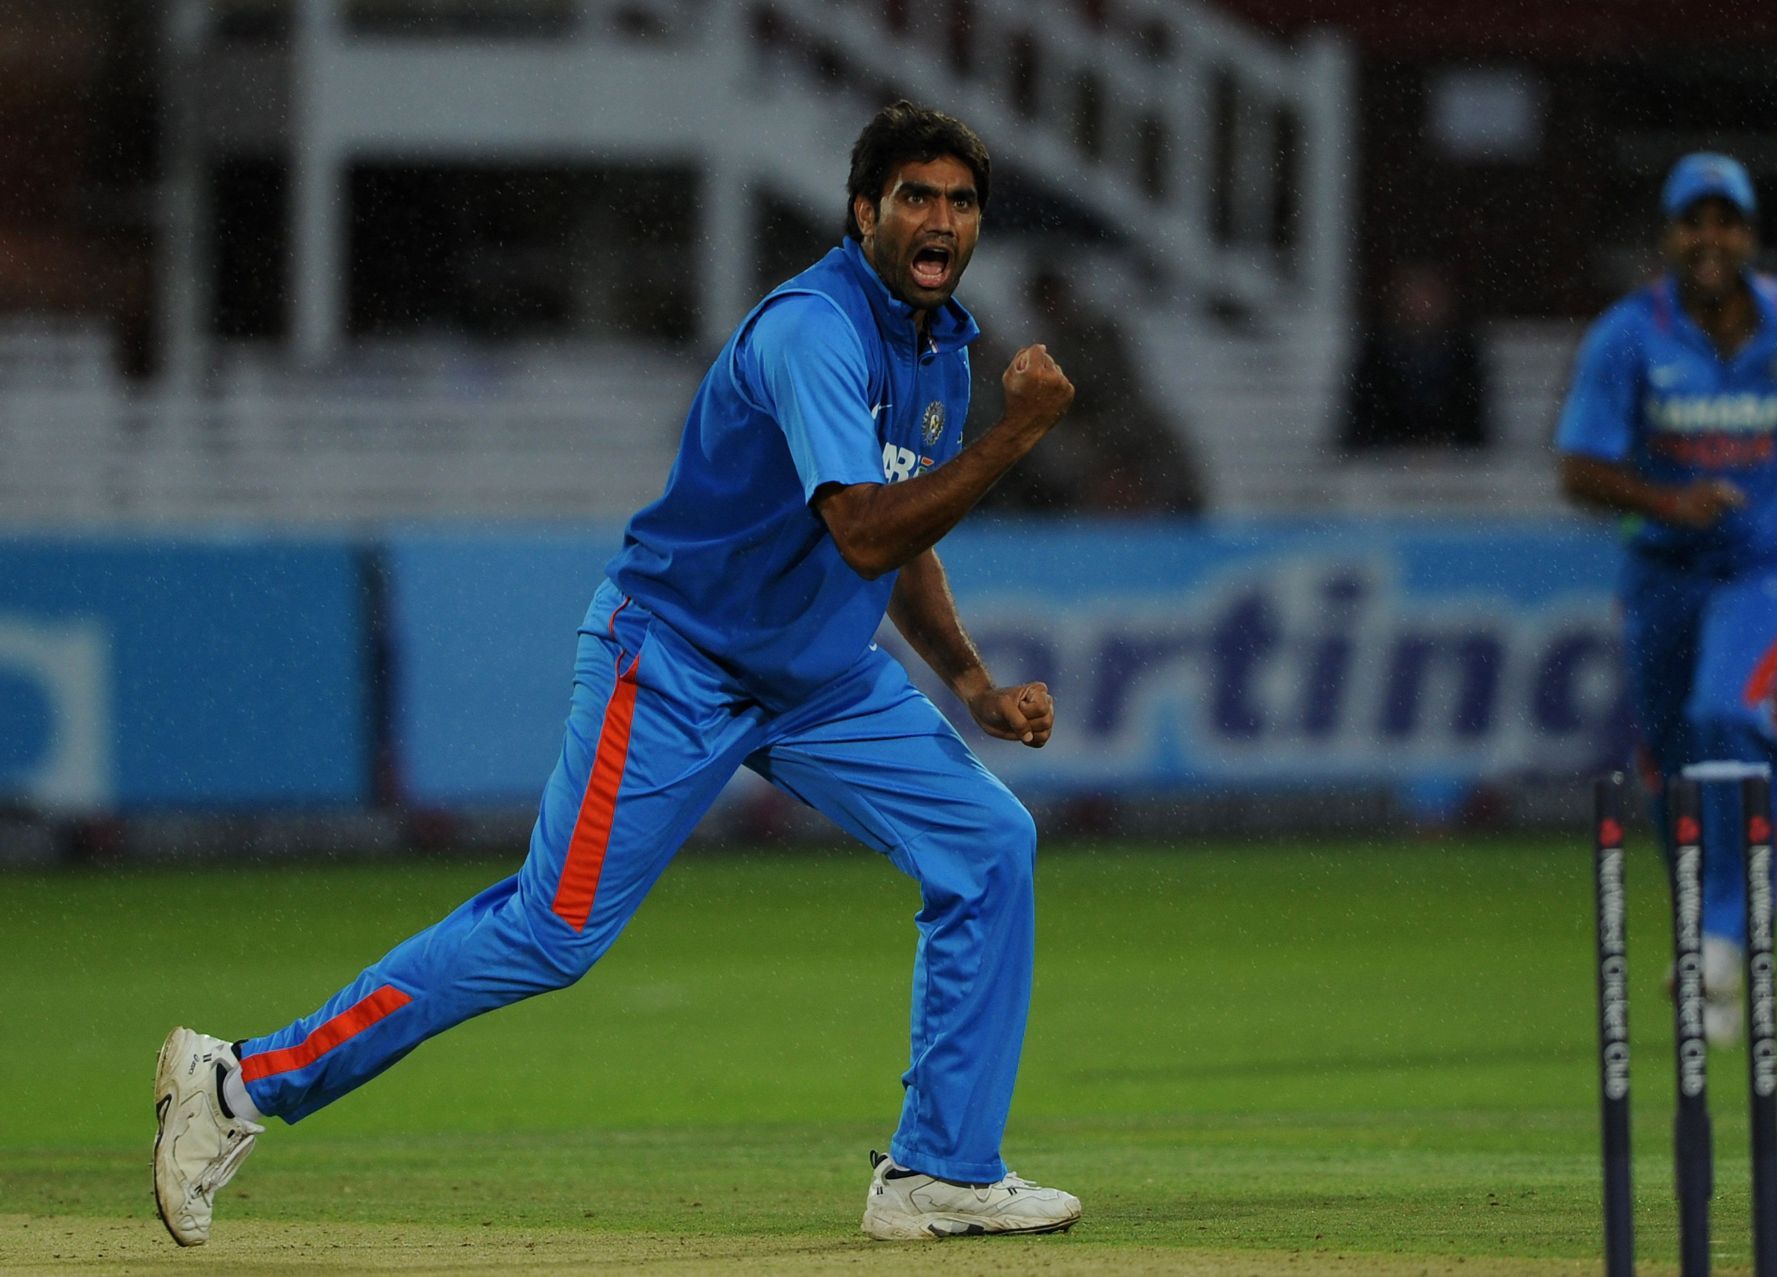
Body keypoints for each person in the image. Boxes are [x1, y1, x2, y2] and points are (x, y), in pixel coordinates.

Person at [151, 100, 1082, 1246]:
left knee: (990, 843)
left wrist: (972, 681)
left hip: (818, 679)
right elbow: (865, 530)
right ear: (864, 210)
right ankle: (236, 1081)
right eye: (917, 197)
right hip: (678, 660)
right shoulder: (815, 330)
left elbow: (904, 536)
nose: (942, 219)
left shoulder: (938, 342)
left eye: (962, 200)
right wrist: (1018, 434)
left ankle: (940, 1167)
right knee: (552, 932)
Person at [1555, 153, 1777, 1044]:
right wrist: (1670, 501)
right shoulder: (1628, 337)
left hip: (1765, 565)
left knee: (1726, 713)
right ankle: (1704, 933)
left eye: (1727, 222)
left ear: (1749, 235)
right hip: (1663, 571)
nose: (1710, 239)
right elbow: (1579, 470)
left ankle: (1726, 933)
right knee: (1670, 759)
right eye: (1692, 222)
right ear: (1668, 236)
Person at [1341, 262, 1489, 453]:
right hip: (1385, 458)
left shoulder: (1462, 353)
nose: (1421, 305)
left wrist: (1441, 442)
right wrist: (1401, 446)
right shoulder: (1378, 352)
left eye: (1429, 296)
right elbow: (1364, 415)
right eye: (1415, 296)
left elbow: (1471, 416)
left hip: (1452, 458)